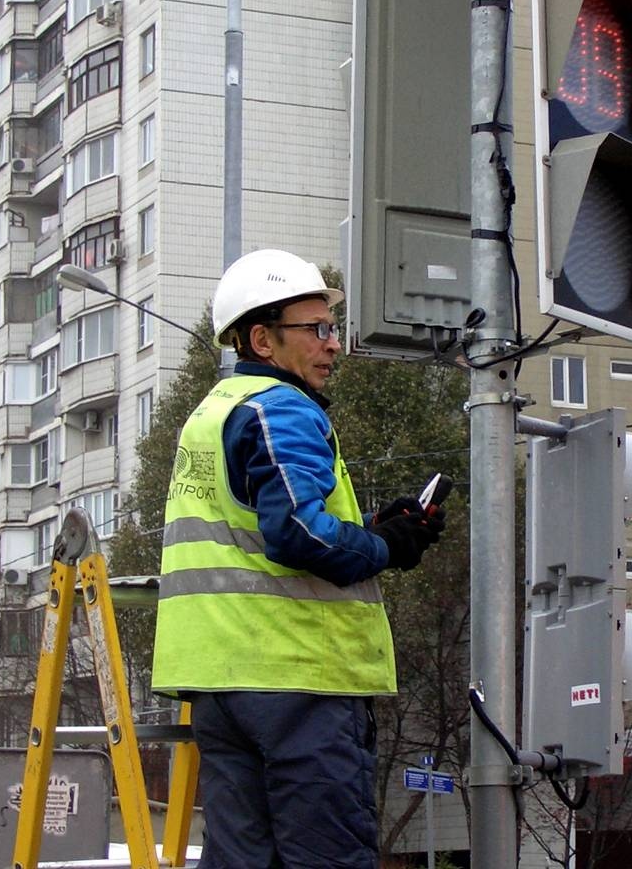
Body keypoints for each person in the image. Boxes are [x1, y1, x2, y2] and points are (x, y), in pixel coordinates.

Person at [151, 248, 442, 869]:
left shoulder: (212, 413)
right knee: (327, 857)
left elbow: (261, 532)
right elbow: (299, 538)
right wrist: (389, 545)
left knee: (241, 860)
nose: (333, 345)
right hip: (296, 678)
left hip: (222, 683)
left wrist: (373, 530)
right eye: (317, 330)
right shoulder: (278, 406)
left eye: (329, 328)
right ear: (262, 339)